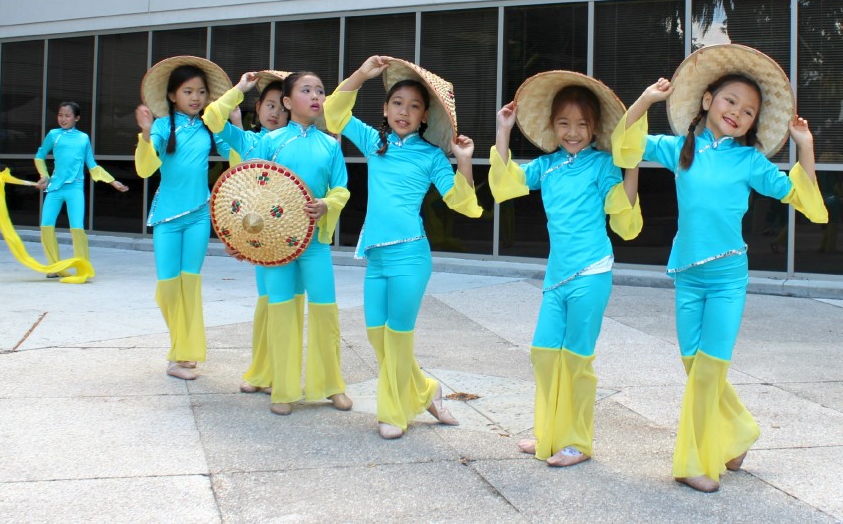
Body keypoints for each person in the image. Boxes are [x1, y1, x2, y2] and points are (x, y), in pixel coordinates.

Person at [614, 44, 827, 493]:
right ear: (708, 100)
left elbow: (799, 195)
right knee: (694, 365)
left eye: (749, 111)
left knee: (709, 369)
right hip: (687, 275)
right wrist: (648, 99)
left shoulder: (749, 161)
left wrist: (805, 147)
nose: (738, 113)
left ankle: (696, 461)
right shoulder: (679, 149)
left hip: (729, 277)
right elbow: (626, 142)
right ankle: (739, 431)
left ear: (752, 124)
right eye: (731, 101)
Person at [324, 55, 483, 439]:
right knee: (378, 337)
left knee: (397, 339)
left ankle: (393, 414)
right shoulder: (373, 143)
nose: (404, 112)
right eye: (397, 103)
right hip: (376, 257)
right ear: (385, 108)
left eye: (414, 106)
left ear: (424, 116)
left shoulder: (430, 155)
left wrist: (464, 163)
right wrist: (362, 74)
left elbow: (464, 204)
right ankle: (427, 390)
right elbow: (334, 112)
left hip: (411, 257)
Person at [490, 71, 642, 467]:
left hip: (592, 272)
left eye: (582, 124)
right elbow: (506, 183)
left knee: (577, 360)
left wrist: (633, 167)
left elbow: (620, 206)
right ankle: (548, 433)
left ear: (594, 128)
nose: (572, 132)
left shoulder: (601, 164)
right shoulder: (547, 166)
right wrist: (503, 131)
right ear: (552, 126)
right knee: (543, 353)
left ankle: (576, 441)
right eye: (564, 123)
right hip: (556, 276)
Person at [204, 70, 350, 416]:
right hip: (275, 247)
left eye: (320, 90)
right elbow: (252, 192)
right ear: (288, 102)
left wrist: (327, 204)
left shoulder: (331, 145)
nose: (316, 96)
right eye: (306, 90)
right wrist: (239, 88)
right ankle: (283, 389)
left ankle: (331, 385)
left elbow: (342, 187)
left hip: (314, 242)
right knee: (281, 312)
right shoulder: (268, 143)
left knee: (325, 312)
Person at [205, 71, 303, 394]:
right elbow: (213, 116)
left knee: (288, 305)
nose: (276, 113)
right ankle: (262, 370)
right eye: (270, 105)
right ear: (258, 107)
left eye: (283, 108)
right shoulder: (248, 141)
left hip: (292, 239)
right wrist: (240, 89)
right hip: (261, 241)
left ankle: (283, 374)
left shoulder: (294, 147)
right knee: (267, 303)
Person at [135, 56, 232, 381]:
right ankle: (181, 347)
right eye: (188, 91)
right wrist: (147, 134)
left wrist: (235, 123)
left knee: (189, 286)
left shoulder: (208, 126)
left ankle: (181, 355)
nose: (195, 98)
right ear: (173, 95)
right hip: (167, 217)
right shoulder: (163, 126)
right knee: (168, 288)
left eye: (201, 92)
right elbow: (145, 169)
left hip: (199, 216)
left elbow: (237, 155)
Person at [34, 101, 128, 278]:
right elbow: (39, 156)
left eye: (67, 115)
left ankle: (83, 267)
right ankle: (54, 266)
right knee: (46, 226)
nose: (63, 119)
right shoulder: (53, 135)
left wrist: (112, 181)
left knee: (77, 229)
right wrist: (44, 175)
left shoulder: (83, 138)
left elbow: (92, 165)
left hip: (75, 189)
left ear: (77, 118)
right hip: (54, 188)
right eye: (60, 115)